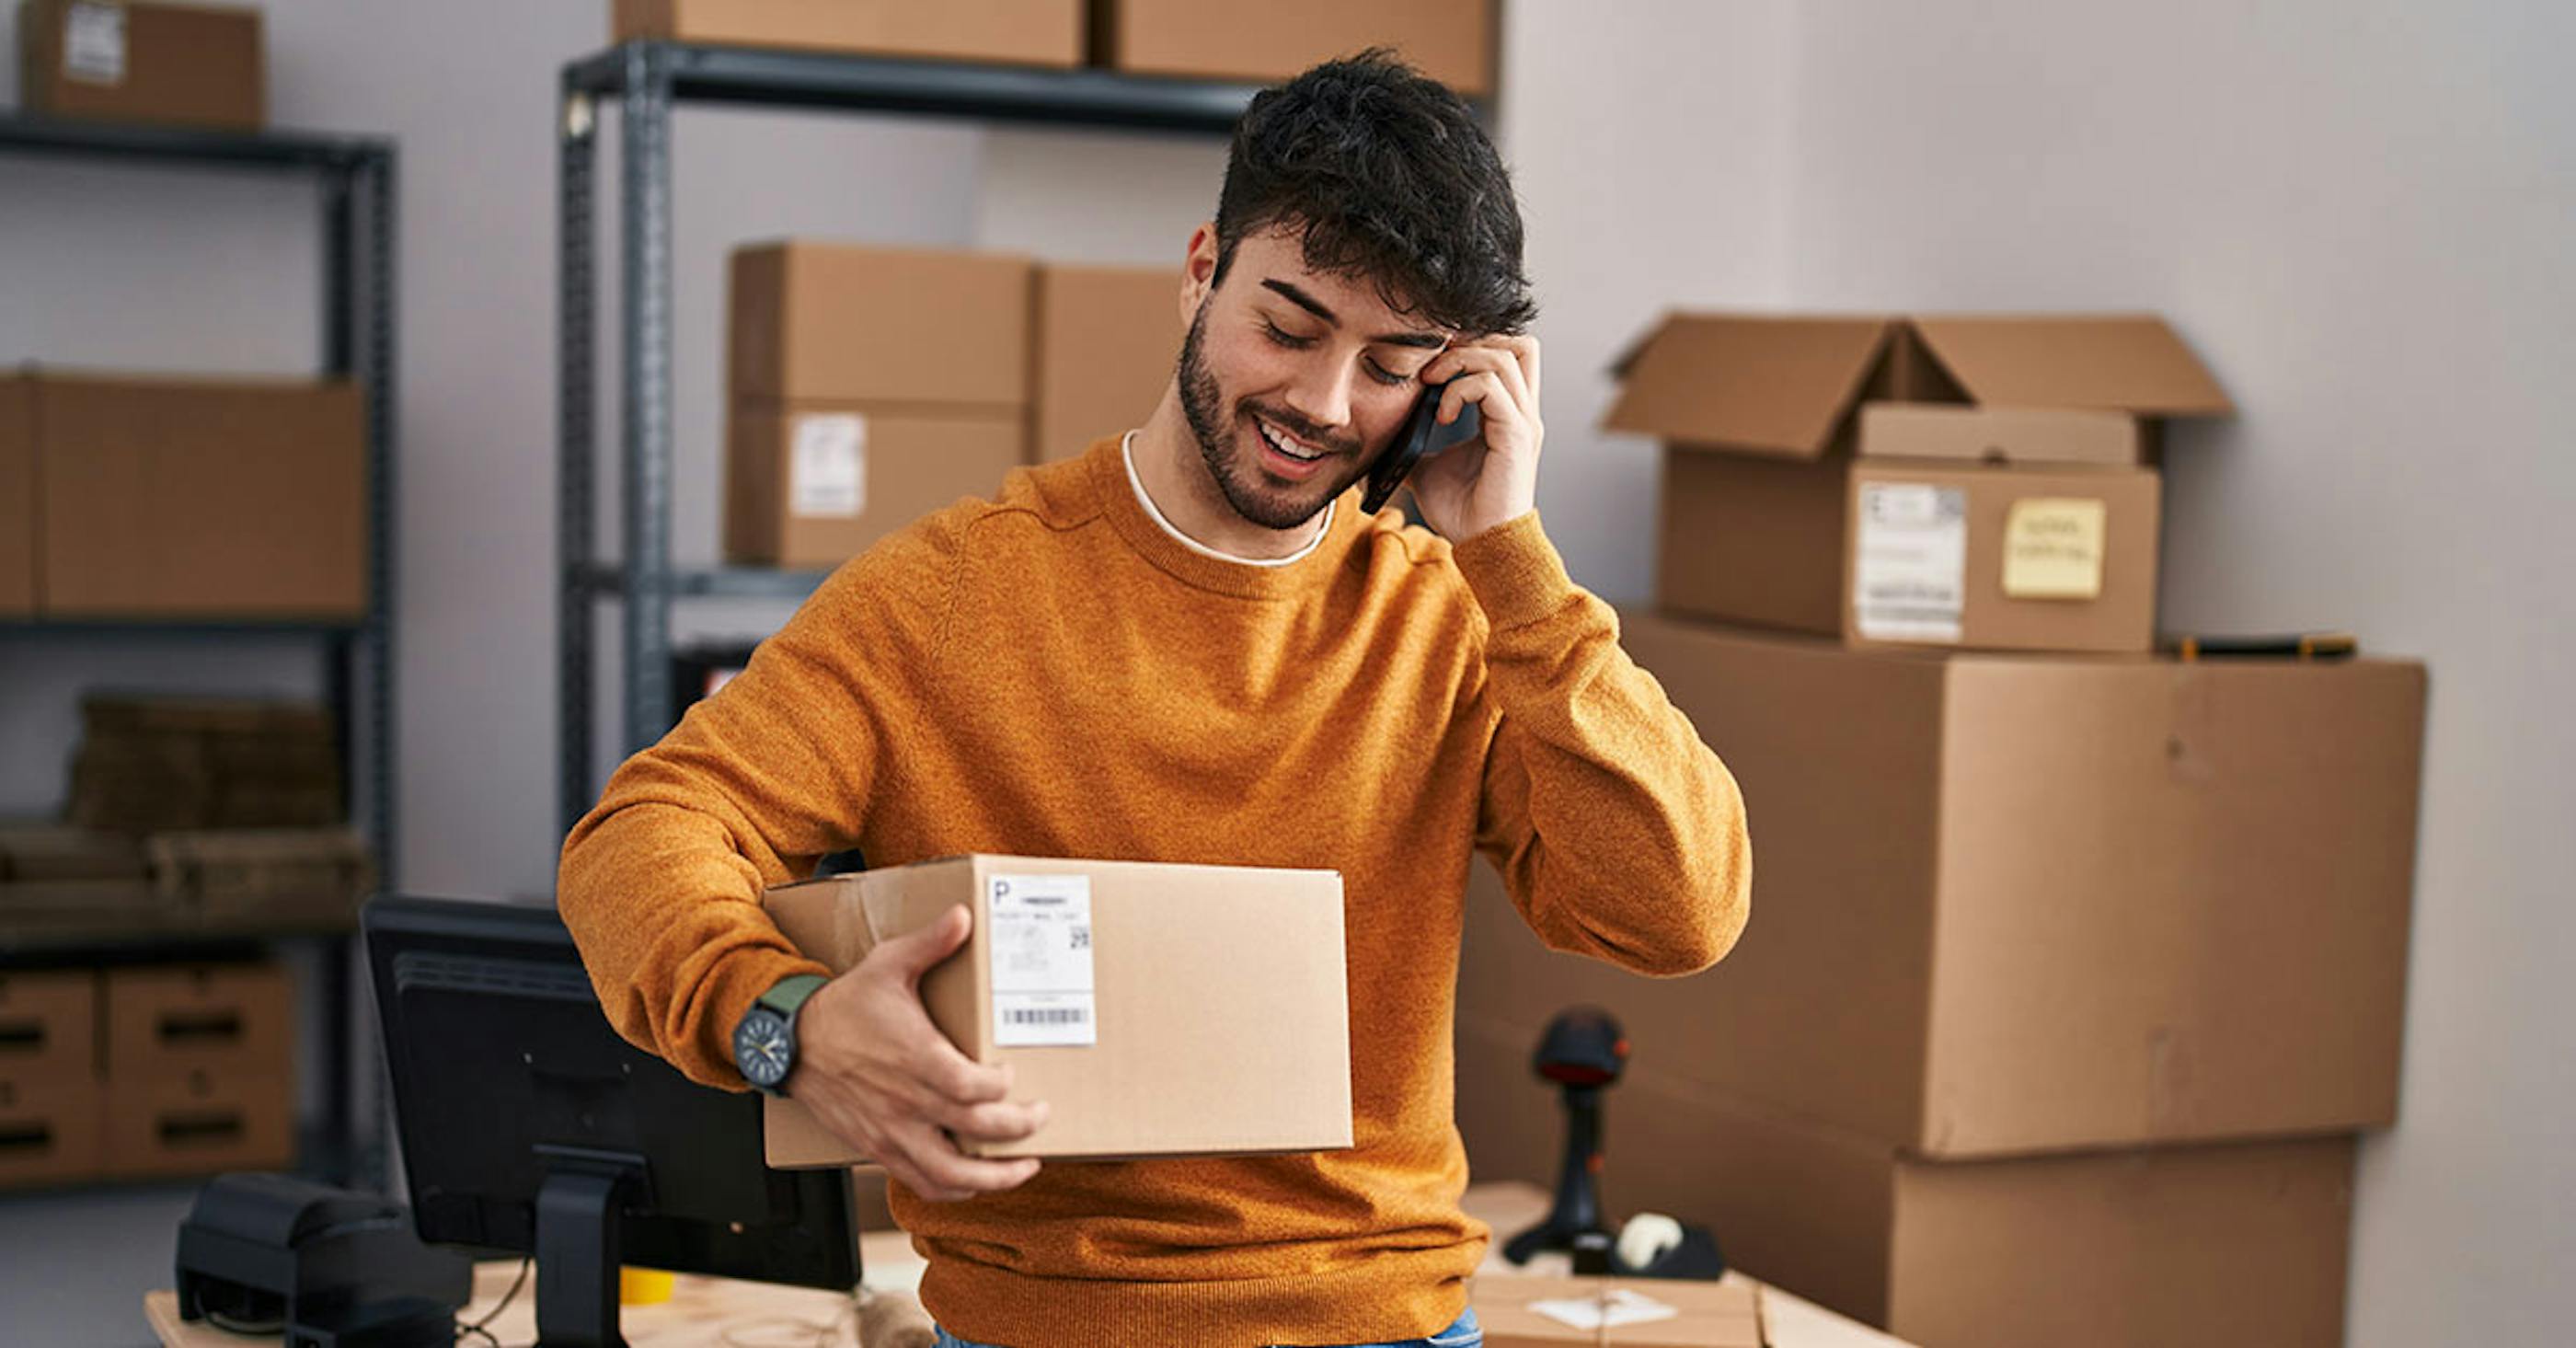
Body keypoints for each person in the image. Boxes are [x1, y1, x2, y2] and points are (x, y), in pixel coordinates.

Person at [558, 52, 1750, 1348]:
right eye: (1287, 329)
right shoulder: (951, 594)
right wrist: (784, 1022)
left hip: (1382, 1318)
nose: (1322, 403)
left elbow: (1678, 912)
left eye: (1389, 364)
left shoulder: (1454, 613)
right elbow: (643, 835)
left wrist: (1512, 559)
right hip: (1047, 1325)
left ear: (1453, 383)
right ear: (1201, 271)